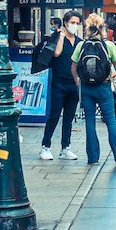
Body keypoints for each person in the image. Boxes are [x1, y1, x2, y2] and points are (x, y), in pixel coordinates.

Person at [74, 13, 116, 167]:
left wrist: (78, 82)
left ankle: (93, 158)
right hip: (103, 87)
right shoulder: (109, 45)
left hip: (86, 88)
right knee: (111, 121)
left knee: (90, 122)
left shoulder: (81, 45)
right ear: (102, 29)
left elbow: (73, 68)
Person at [40, 12, 85, 161]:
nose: (75, 25)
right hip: (59, 82)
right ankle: (45, 146)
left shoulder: (79, 41)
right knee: (54, 115)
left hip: (73, 84)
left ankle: (65, 147)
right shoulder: (58, 38)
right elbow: (57, 54)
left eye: (77, 23)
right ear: (65, 23)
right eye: (72, 22)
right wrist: (61, 36)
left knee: (69, 118)